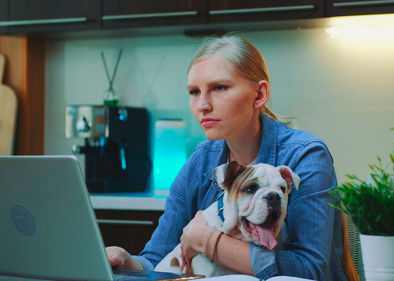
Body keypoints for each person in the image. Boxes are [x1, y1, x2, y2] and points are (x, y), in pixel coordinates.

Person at [106, 35, 347, 281]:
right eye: (194, 92)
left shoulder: (306, 155)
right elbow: (159, 260)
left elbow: (311, 271)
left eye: (219, 88)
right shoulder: (201, 161)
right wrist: (129, 262)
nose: (202, 105)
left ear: (259, 94)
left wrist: (208, 240)